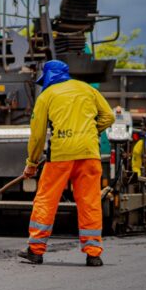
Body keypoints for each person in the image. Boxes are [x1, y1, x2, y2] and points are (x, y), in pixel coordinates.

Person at [20, 60, 114, 266]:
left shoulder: (46, 96)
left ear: (48, 77)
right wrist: (90, 131)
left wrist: (32, 163)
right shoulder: (87, 89)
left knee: (46, 200)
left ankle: (35, 251)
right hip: (89, 153)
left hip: (60, 155)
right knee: (90, 202)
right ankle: (93, 253)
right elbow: (108, 116)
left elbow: (37, 135)